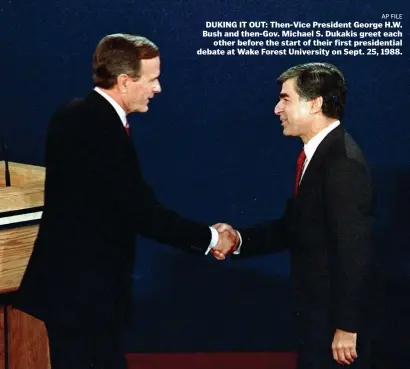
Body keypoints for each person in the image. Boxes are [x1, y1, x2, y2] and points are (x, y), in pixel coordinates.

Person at [14, 33, 237, 369]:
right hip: (86, 299)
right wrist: (211, 238)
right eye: (153, 79)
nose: (158, 89)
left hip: (71, 294)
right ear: (124, 81)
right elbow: (142, 212)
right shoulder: (100, 128)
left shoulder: (73, 114)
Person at [213, 62, 374, 369]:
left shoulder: (342, 163)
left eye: (285, 99)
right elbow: (294, 228)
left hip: (334, 330)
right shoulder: (319, 155)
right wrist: (239, 240)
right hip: (316, 318)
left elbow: (355, 251)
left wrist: (347, 327)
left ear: (315, 103)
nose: (276, 109)